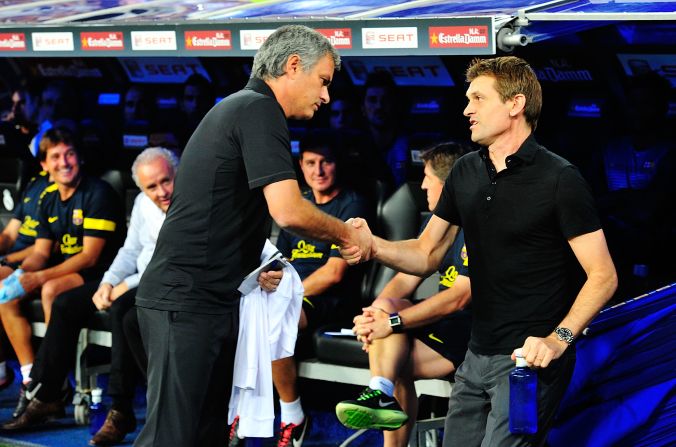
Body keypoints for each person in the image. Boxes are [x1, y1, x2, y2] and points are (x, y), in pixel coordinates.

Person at [340, 56, 617, 446]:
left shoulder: (560, 179)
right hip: (474, 356)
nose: (466, 109)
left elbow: (603, 276)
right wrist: (373, 246)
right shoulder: (466, 171)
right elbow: (426, 252)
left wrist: (558, 339)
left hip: (527, 362)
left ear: (515, 104)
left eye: (478, 99)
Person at [133, 24, 372, 447]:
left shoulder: (244, 108)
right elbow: (288, 209)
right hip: (185, 302)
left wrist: (252, 269)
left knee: (205, 436)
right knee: (171, 438)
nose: (326, 96)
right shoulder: (258, 110)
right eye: (323, 82)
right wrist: (346, 236)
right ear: (293, 65)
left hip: (208, 301)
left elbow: (222, 213)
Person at [335, 142, 471, 447]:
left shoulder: (477, 223)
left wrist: (391, 323)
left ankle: (381, 392)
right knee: (385, 308)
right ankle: (380, 391)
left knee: (391, 355)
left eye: (427, 177)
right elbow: (402, 282)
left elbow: (458, 298)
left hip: (470, 329)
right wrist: (374, 315)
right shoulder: (437, 222)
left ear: (447, 184)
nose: (422, 185)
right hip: (441, 324)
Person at [0, 127, 124, 420]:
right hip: (70, 269)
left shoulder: (98, 192)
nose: (64, 162)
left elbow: (90, 256)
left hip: (102, 274)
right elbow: (41, 252)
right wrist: (17, 275)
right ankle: (32, 378)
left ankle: (57, 381)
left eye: (69, 154)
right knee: (6, 294)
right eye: (55, 156)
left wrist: (38, 277)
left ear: (79, 158)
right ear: (44, 165)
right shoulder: (48, 197)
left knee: (51, 289)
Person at [261, 138, 371, 446]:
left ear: (337, 164)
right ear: (301, 167)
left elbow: (334, 273)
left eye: (326, 162)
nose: (318, 170)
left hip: (331, 298)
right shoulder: (298, 205)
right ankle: (238, 412)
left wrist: (286, 293)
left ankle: (293, 416)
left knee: (272, 323)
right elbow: (276, 265)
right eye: (311, 163)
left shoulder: (352, 203)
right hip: (295, 293)